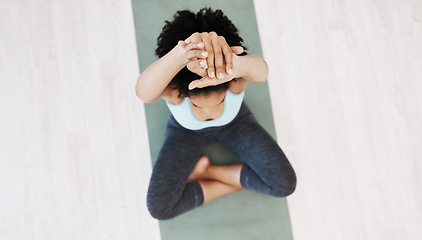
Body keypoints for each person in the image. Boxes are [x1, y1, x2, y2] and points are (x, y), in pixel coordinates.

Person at [135, 7, 297, 220]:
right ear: (180, 91)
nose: (209, 110)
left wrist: (235, 64)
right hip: (185, 134)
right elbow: (144, 93)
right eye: (198, 105)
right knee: (159, 208)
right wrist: (180, 55)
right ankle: (234, 181)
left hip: (236, 125)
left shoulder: (235, 80)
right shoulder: (174, 90)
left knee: (284, 185)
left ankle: (207, 171)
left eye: (219, 100)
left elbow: (261, 72)